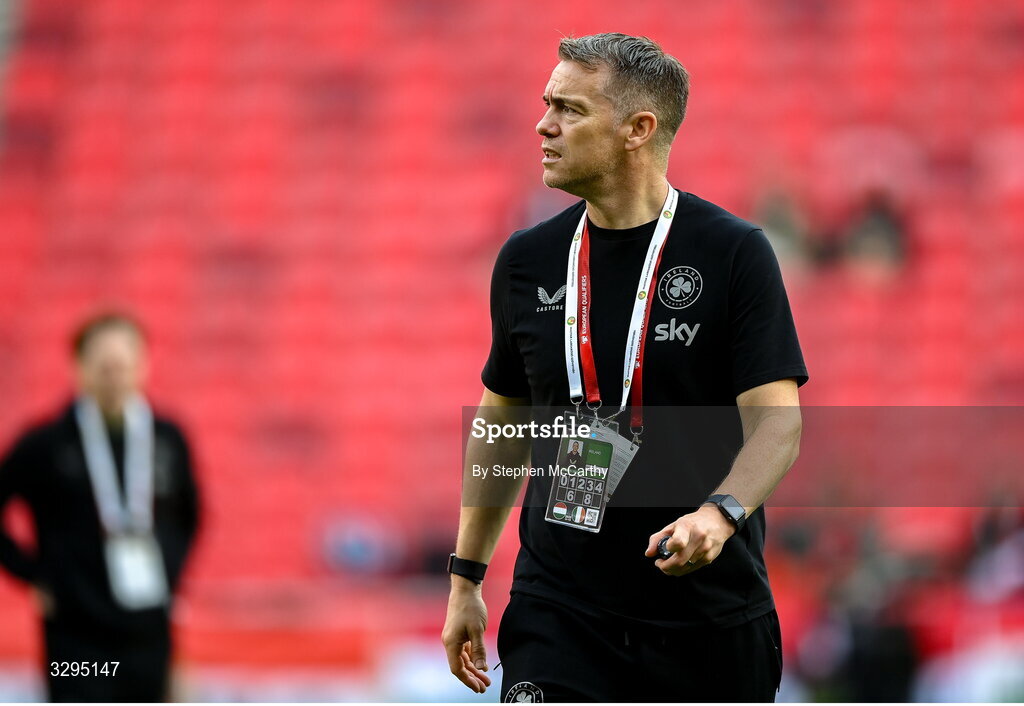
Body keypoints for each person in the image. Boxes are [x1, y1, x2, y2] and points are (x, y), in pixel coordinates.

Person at [441, 33, 807, 702]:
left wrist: (720, 514)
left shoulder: (733, 254)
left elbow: (778, 424)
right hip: (561, 614)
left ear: (639, 129)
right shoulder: (527, 262)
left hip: (706, 621)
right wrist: (467, 577)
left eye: (570, 110)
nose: (543, 125)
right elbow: (503, 426)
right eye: (546, 104)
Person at [0, 313, 200, 702]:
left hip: (147, 629)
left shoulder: (166, 439)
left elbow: (190, 515)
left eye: (124, 364)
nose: (115, 376)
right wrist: (33, 575)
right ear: (79, 367)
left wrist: (170, 571)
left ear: (143, 366)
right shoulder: (47, 444)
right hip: (77, 637)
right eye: (104, 365)